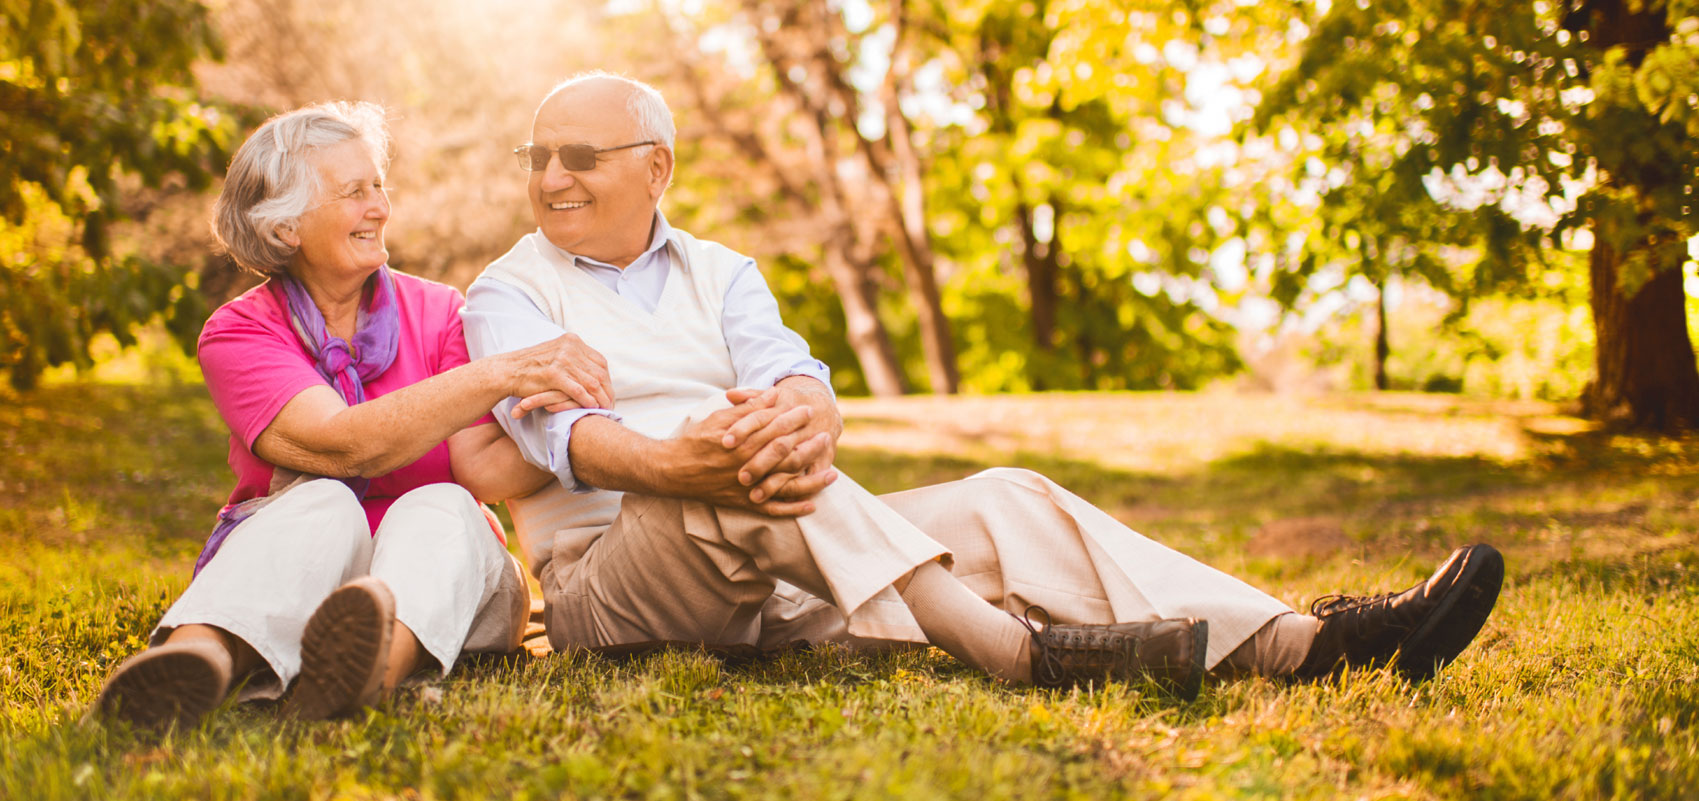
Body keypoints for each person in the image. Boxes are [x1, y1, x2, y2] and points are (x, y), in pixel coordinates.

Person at [461, 73, 1505, 698]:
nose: (550, 176)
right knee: (743, 464)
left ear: (656, 168)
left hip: (773, 558)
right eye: (538, 155)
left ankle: (1309, 642)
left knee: (1008, 498)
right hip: (612, 582)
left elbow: (793, 377)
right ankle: (1017, 653)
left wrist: (811, 413)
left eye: (580, 154)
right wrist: (674, 458)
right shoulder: (505, 291)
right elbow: (563, 440)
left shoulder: (723, 271)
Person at [92, 101, 612, 731]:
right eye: (354, 192)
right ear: (286, 229)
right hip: (300, 574)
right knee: (320, 502)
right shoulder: (240, 332)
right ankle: (194, 662)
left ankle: (369, 668)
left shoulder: (442, 311)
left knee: (442, 505)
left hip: (442, 576)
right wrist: (502, 373)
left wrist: (577, 420)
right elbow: (343, 447)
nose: (379, 207)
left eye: (378, 186)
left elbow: (485, 477)